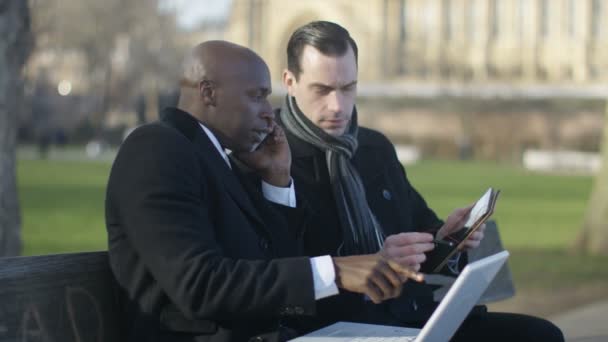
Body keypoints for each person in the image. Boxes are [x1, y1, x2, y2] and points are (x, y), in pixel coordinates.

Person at [104, 40, 422, 342]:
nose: (270, 113)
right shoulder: (157, 148)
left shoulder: (218, 157)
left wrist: (277, 179)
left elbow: (271, 263)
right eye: (257, 96)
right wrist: (334, 272)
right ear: (208, 92)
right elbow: (199, 285)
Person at [275, 21, 564, 341]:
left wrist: (448, 237)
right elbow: (275, 274)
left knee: (540, 335)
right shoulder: (269, 157)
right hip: (335, 326)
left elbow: (422, 231)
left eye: (348, 88)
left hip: (410, 315)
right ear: (289, 81)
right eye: (322, 90)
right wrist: (370, 263)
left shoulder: (374, 148)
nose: (338, 106)